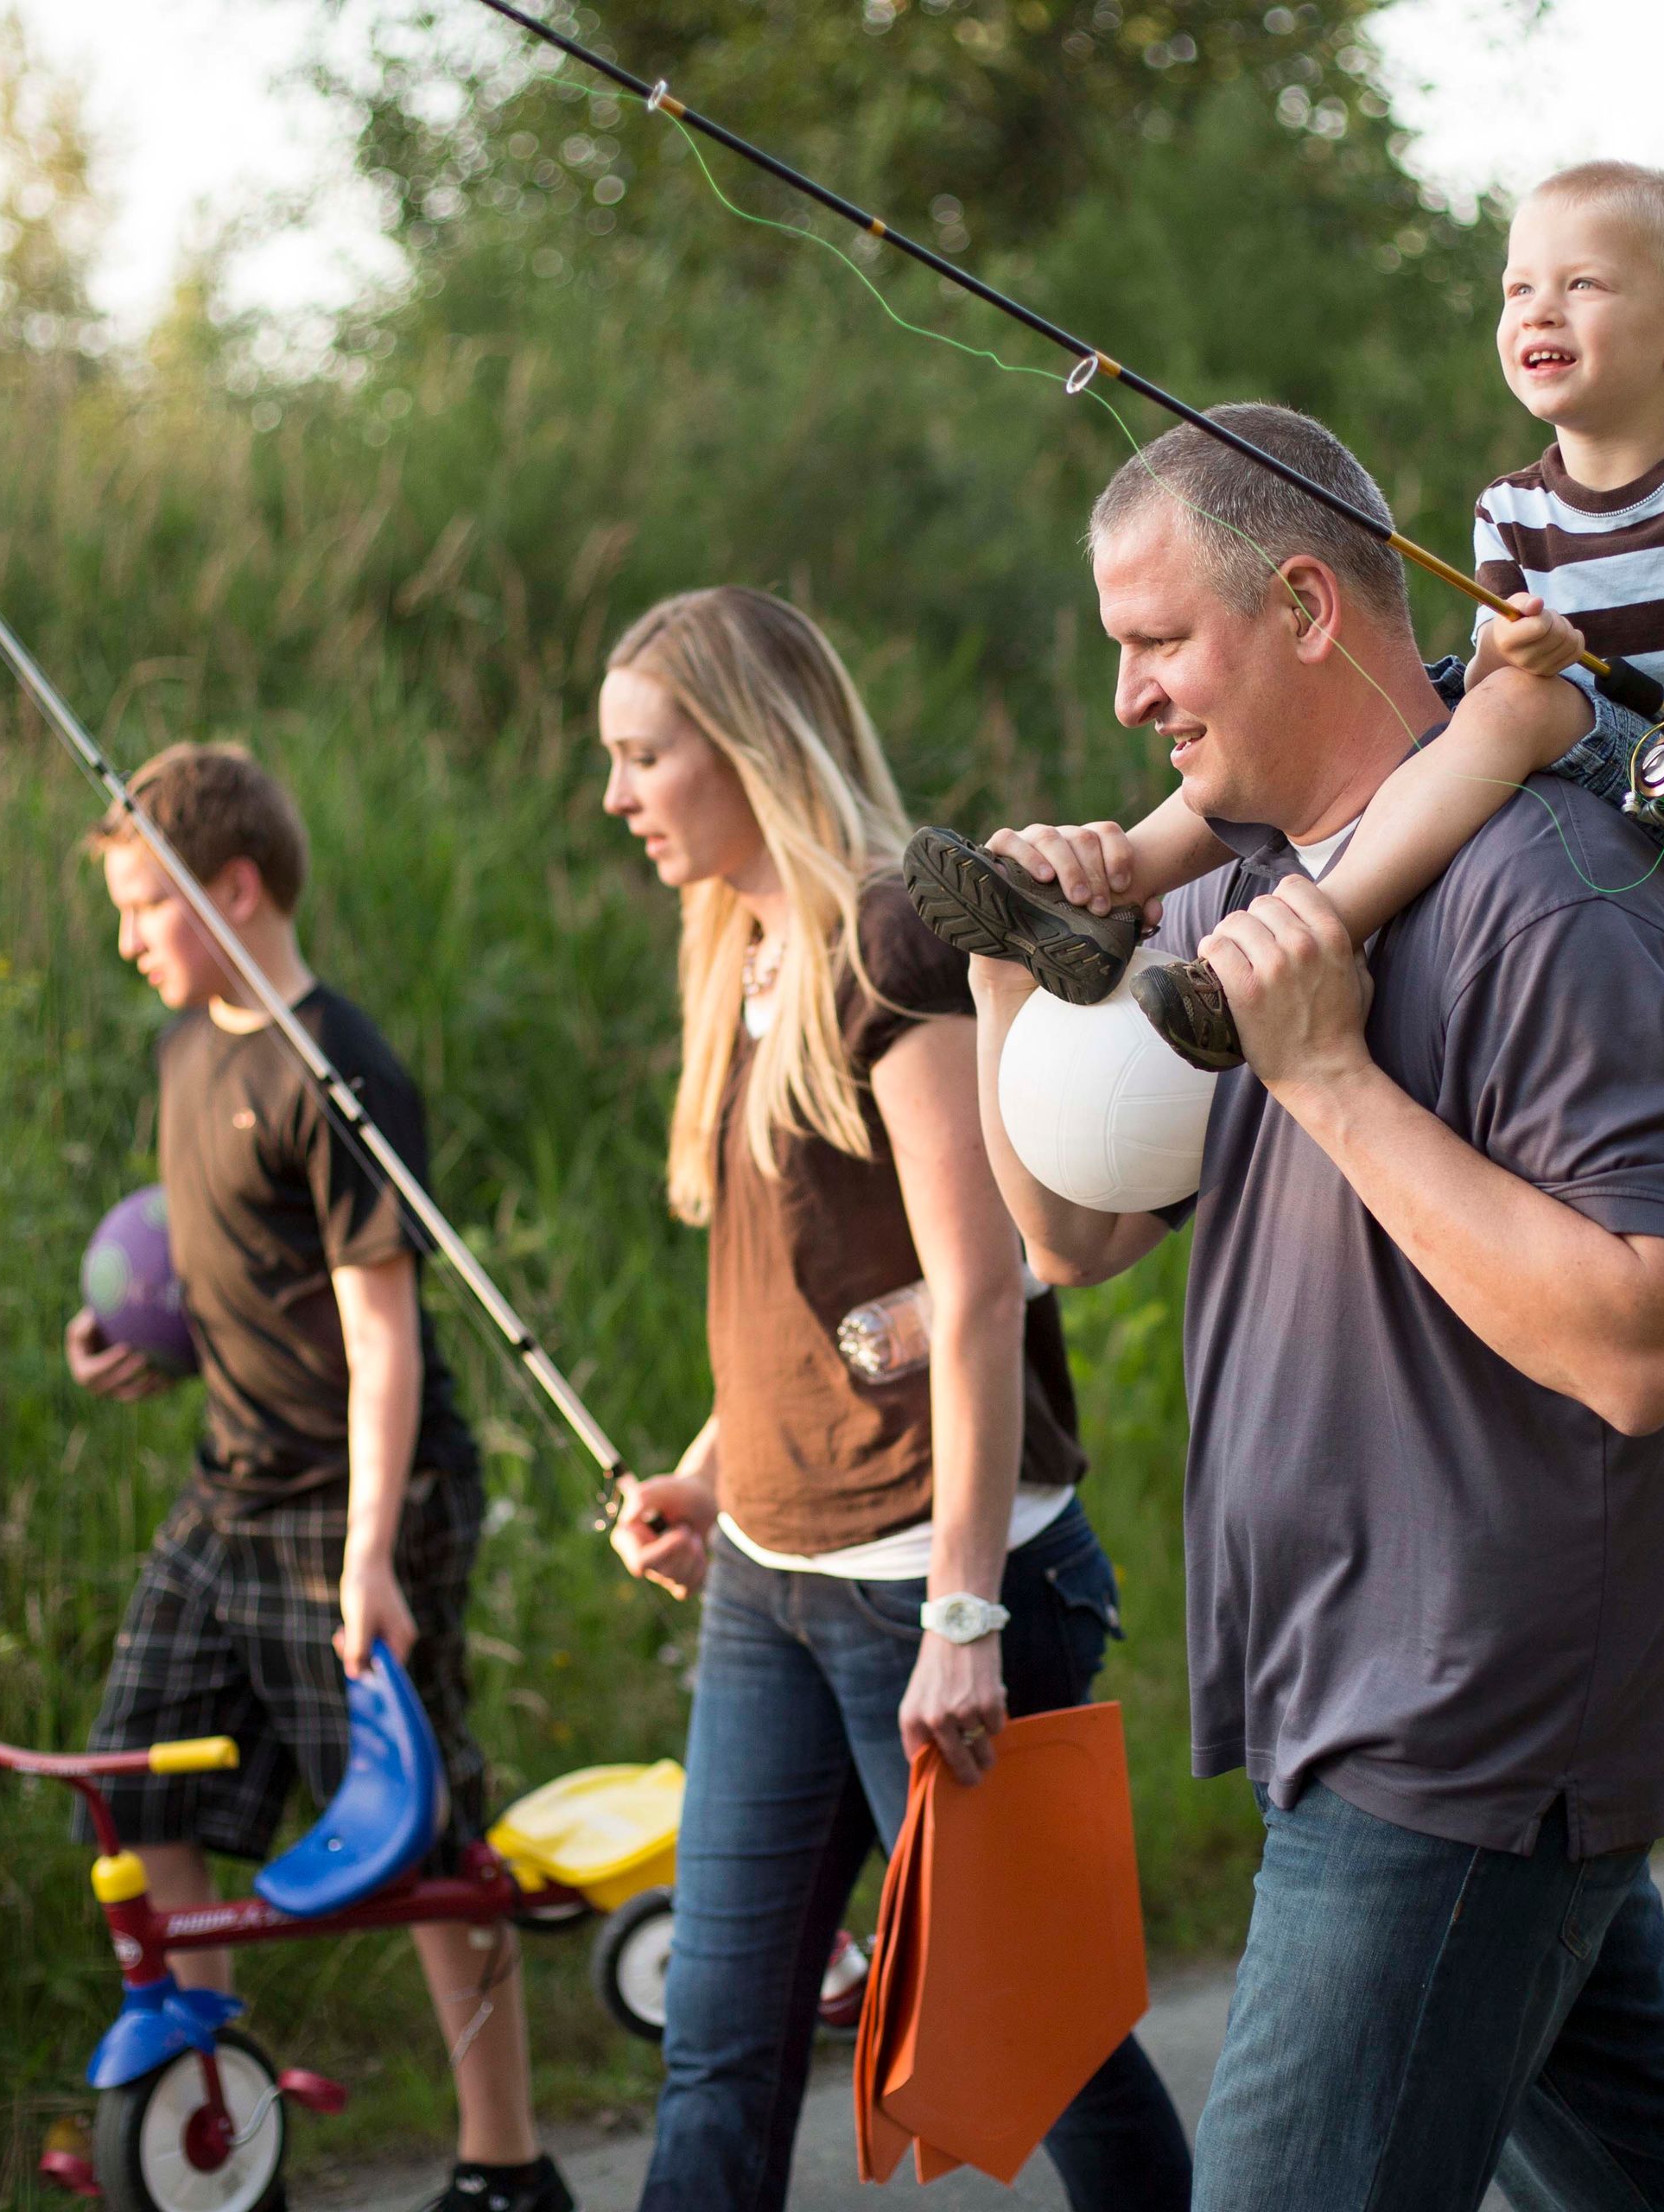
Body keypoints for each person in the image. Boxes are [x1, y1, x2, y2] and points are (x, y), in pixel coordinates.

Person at [965, 407, 1664, 2211]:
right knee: (1662, 2177)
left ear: (1303, 604)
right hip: (1350, 1664)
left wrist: (1333, 1081)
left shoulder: (1551, 894)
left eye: (1157, 640)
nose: (1127, 697)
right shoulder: (1241, 874)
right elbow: (1077, 1235)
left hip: (1470, 1707)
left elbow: (1639, 1339)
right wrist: (1008, 982)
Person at [592, 588, 1190, 2212]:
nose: (619, 797)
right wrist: (711, 1478)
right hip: (773, 1587)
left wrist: (965, 1617)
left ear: (745, 746)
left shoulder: (889, 936)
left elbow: (982, 1278)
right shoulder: (739, 947)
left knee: (1043, 2045)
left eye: (645, 758)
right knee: (717, 2042)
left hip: (938, 1587)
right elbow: (801, 1304)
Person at [906, 157, 1664, 1069]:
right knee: (1422, 688)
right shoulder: (1510, 507)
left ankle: (1304, 937)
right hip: (1594, 742)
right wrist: (1513, 654)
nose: (1539, 312)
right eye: (1519, 287)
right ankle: (1112, 885)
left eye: (1583, 285)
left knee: (1522, 706)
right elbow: (1478, 692)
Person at [62, 743, 568, 2212]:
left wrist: (365, 1561)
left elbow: (383, 1339)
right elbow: (233, 1282)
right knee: (137, 1774)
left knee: (407, 1827)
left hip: (363, 1501)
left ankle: (503, 2165)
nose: (127, 939)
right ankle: (207, 2102)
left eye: (145, 908)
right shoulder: (184, 1050)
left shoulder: (337, 1072)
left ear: (235, 889)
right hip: (228, 1490)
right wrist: (136, 1349)